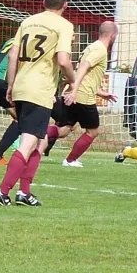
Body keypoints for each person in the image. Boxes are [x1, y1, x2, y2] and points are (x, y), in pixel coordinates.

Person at [0, 0, 76, 207]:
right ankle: (2, 190)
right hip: (39, 90)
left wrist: (10, 85)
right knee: (29, 142)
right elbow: (63, 60)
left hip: (21, 85)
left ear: (43, 3)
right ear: (65, 5)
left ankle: (24, 192)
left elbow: (12, 56)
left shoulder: (27, 22)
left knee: (40, 140)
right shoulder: (64, 25)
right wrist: (73, 79)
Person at [48, 21, 119, 167]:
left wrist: (101, 93)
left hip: (76, 93)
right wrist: (75, 91)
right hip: (82, 97)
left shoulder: (91, 47)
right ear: (112, 36)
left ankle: (34, 134)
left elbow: (87, 75)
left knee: (63, 130)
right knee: (93, 131)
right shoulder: (100, 50)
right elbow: (84, 68)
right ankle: (70, 160)